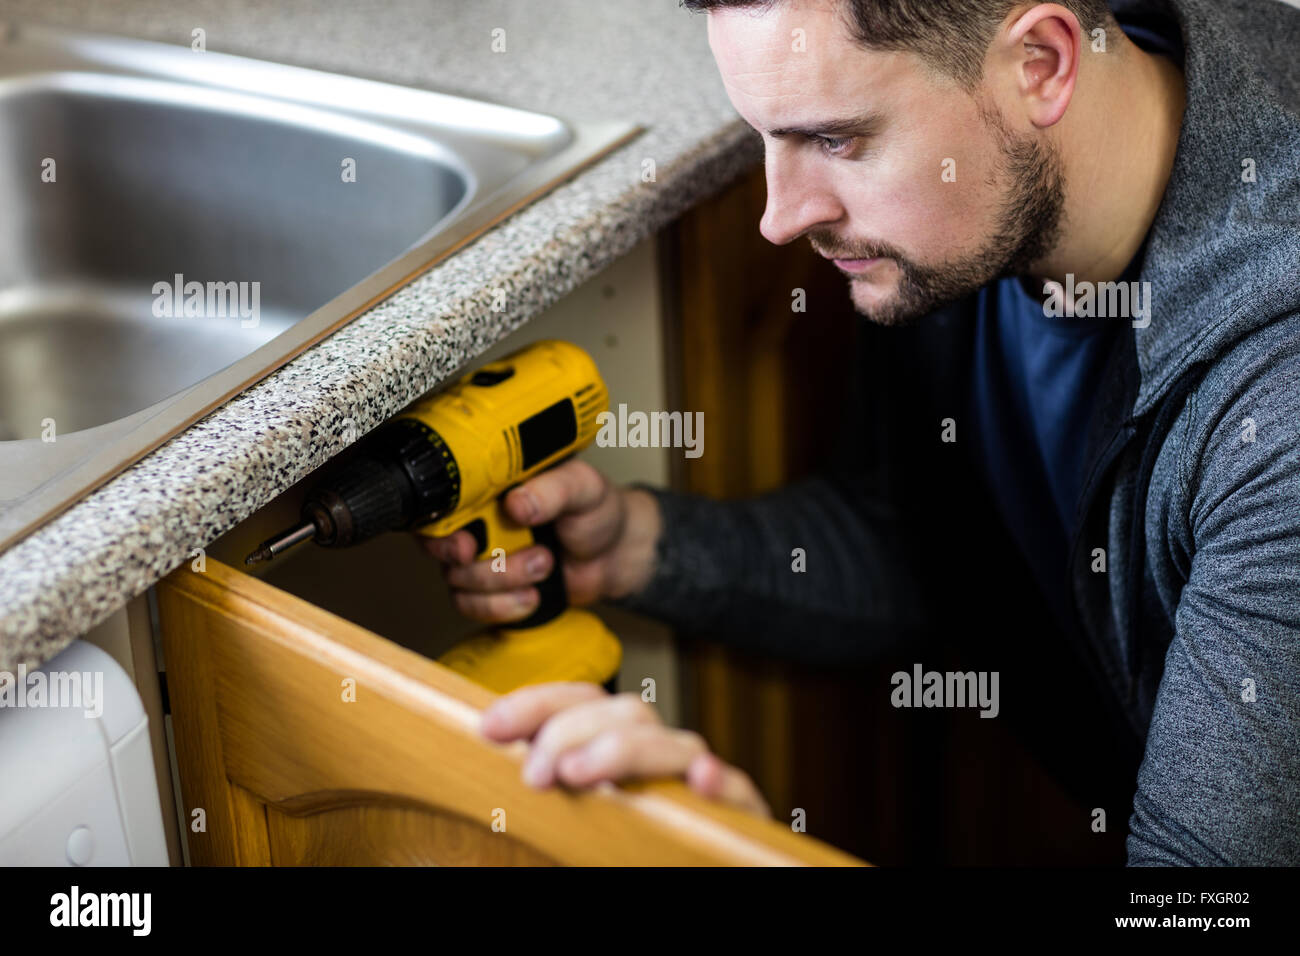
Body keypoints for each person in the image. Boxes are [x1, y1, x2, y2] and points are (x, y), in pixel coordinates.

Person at [424, 0, 1300, 865]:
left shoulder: (1278, 406)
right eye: (766, 137)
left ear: (1042, 63)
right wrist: (637, 546)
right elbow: (919, 554)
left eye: (835, 140)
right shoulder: (969, 214)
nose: (779, 216)